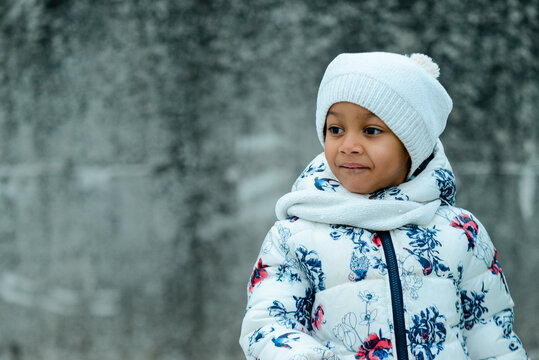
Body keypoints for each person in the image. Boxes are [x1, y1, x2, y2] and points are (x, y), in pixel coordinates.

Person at [239, 52, 528, 360]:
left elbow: (491, 334)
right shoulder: (295, 236)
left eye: (371, 130)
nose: (348, 145)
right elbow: (268, 329)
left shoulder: (460, 232)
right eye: (336, 130)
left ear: (412, 144)